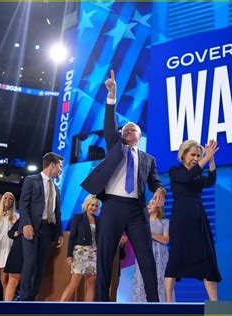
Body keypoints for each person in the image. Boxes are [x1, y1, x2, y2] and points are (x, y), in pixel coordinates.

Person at [81, 70, 166, 302]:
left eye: (133, 129)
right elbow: (110, 123)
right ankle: (101, 304)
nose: (128, 130)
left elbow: (155, 181)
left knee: (147, 258)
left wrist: (160, 189)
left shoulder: (148, 159)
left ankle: (154, 305)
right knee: (106, 257)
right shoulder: (115, 146)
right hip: (113, 207)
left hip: (137, 211)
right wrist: (112, 95)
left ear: (139, 136)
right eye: (125, 128)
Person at [164, 139, 221, 302]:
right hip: (181, 221)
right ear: (183, 155)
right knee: (176, 259)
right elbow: (187, 177)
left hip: (198, 221)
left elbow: (210, 180)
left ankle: (215, 305)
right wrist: (204, 158)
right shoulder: (175, 171)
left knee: (207, 259)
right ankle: (168, 303)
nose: (196, 158)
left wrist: (211, 159)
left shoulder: (197, 175)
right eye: (193, 155)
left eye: (199, 155)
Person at [19, 152, 64, 301]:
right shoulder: (31, 180)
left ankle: (32, 298)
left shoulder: (56, 189)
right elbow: (23, 204)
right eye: (60, 166)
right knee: (30, 262)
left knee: (39, 266)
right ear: (52, 165)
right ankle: (24, 298)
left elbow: (57, 212)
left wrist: (60, 234)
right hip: (32, 227)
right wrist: (26, 223)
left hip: (48, 230)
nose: (61, 170)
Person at [60, 194, 100, 302]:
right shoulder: (78, 217)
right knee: (74, 284)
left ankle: (87, 311)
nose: (94, 208)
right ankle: (58, 307)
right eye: (92, 205)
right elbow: (72, 237)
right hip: (80, 253)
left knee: (91, 285)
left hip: (94, 255)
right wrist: (69, 255)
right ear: (87, 205)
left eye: (96, 206)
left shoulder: (99, 220)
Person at [132, 198, 170, 302]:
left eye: (152, 204)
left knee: (159, 279)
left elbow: (166, 239)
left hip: (159, 257)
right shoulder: (143, 222)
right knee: (142, 279)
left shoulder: (164, 222)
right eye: (148, 204)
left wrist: (150, 233)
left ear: (158, 208)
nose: (148, 205)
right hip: (144, 253)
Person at [3, 218, 22, 301]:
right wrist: (18, 232)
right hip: (18, 251)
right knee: (13, 280)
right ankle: (7, 309)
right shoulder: (23, 218)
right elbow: (10, 233)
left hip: (33, 253)